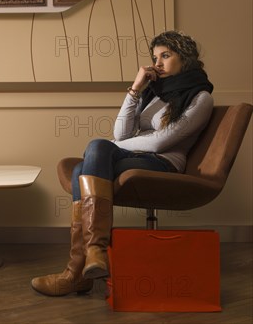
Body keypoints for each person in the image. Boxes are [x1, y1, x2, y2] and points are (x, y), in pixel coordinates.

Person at [31, 30, 214, 297]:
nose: (158, 63)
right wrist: (136, 89)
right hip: (135, 157)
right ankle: (90, 259)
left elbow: (158, 143)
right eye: (155, 57)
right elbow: (122, 134)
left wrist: (109, 147)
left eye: (166, 55)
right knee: (87, 164)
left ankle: (77, 270)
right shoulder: (155, 92)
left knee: (94, 152)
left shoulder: (200, 98)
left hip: (163, 163)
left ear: (184, 58)